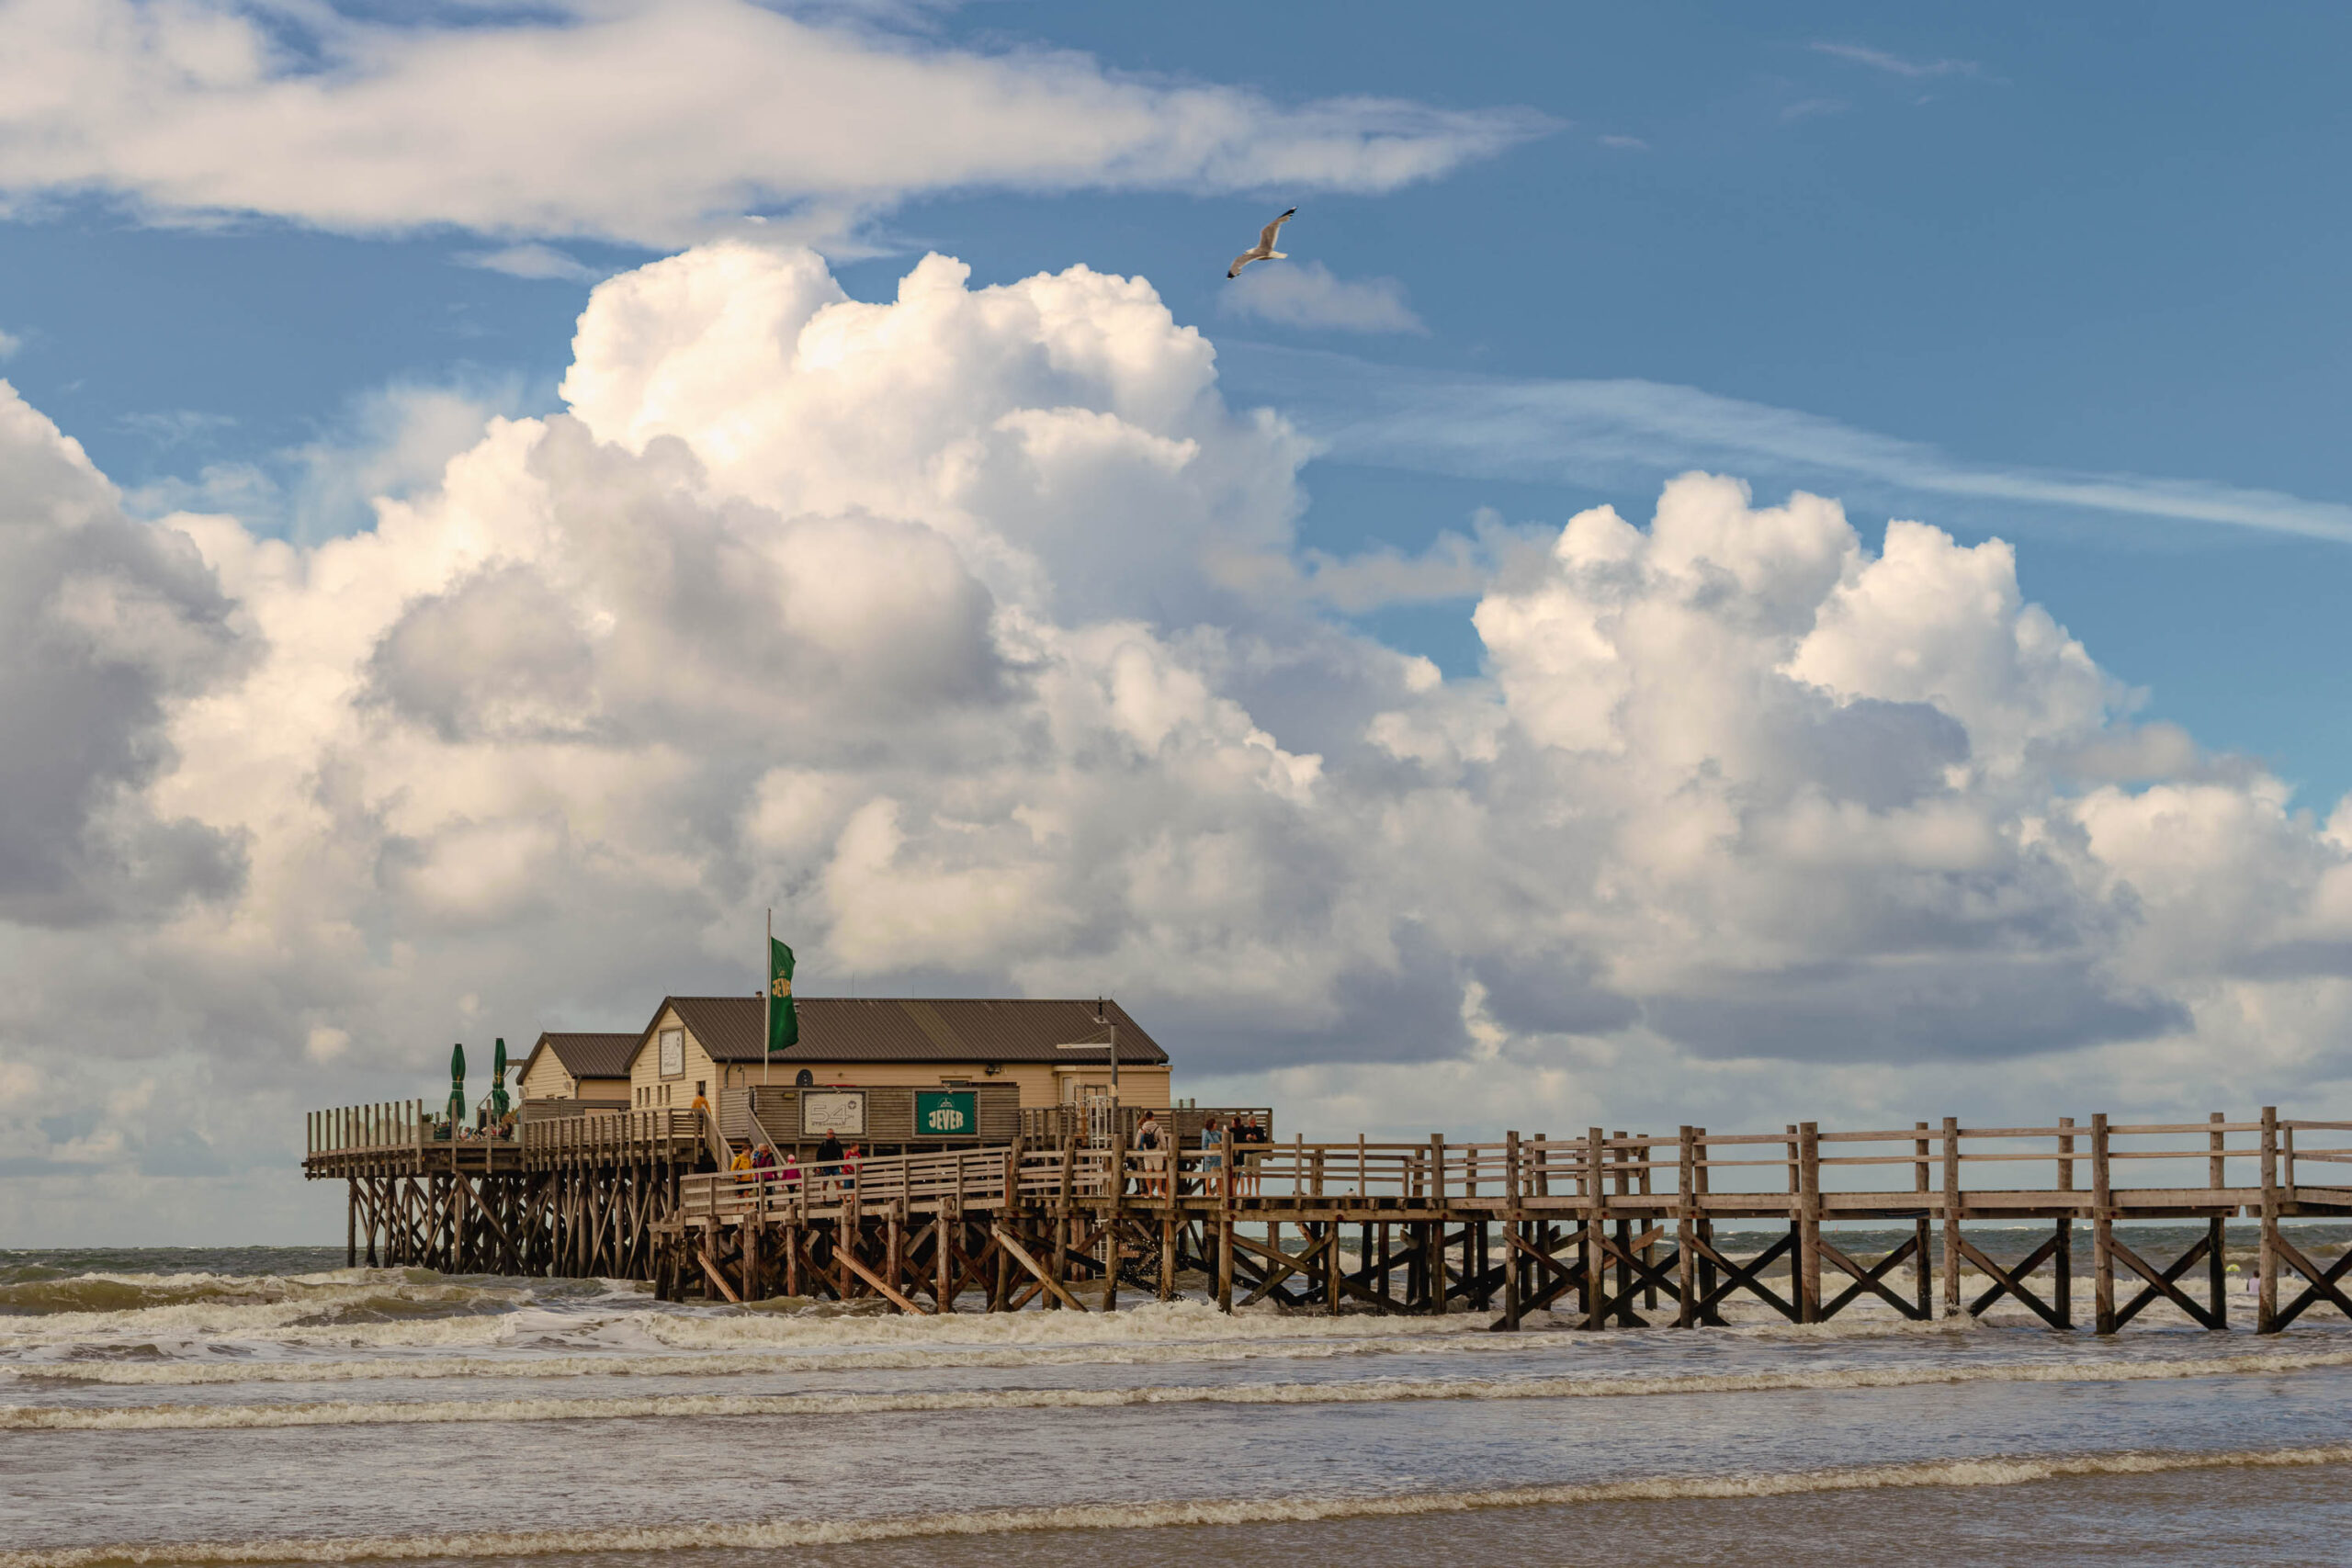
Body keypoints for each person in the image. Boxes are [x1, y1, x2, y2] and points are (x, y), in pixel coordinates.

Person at [1200, 1116, 1224, 1197]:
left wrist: (1225, 1132)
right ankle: (1207, 1192)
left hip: (1217, 1157)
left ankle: (1219, 1191)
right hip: (1210, 1157)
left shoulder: (1216, 1132)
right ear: (1212, 1125)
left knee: (1219, 1175)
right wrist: (1207, 1157)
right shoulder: (1206, 1134)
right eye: (1215, 1123)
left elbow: (1223, 1135)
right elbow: (1204, 1146)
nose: (1216, 1125)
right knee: (1208, 1175)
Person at [817, 1132, 844, 1197]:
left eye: (832, 1133)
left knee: (838, 1182)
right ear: (827, 1135)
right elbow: (818, 1156)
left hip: (835, 1166)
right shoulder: (823, 1144)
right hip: (826, 1166)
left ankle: (839, 1198)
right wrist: (818, 1167)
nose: (831, 1135)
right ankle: (824, 1200)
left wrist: (842, 1166)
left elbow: (841, 1155)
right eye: (830, 1133)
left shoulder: (837, 1143)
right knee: (825, 1183)